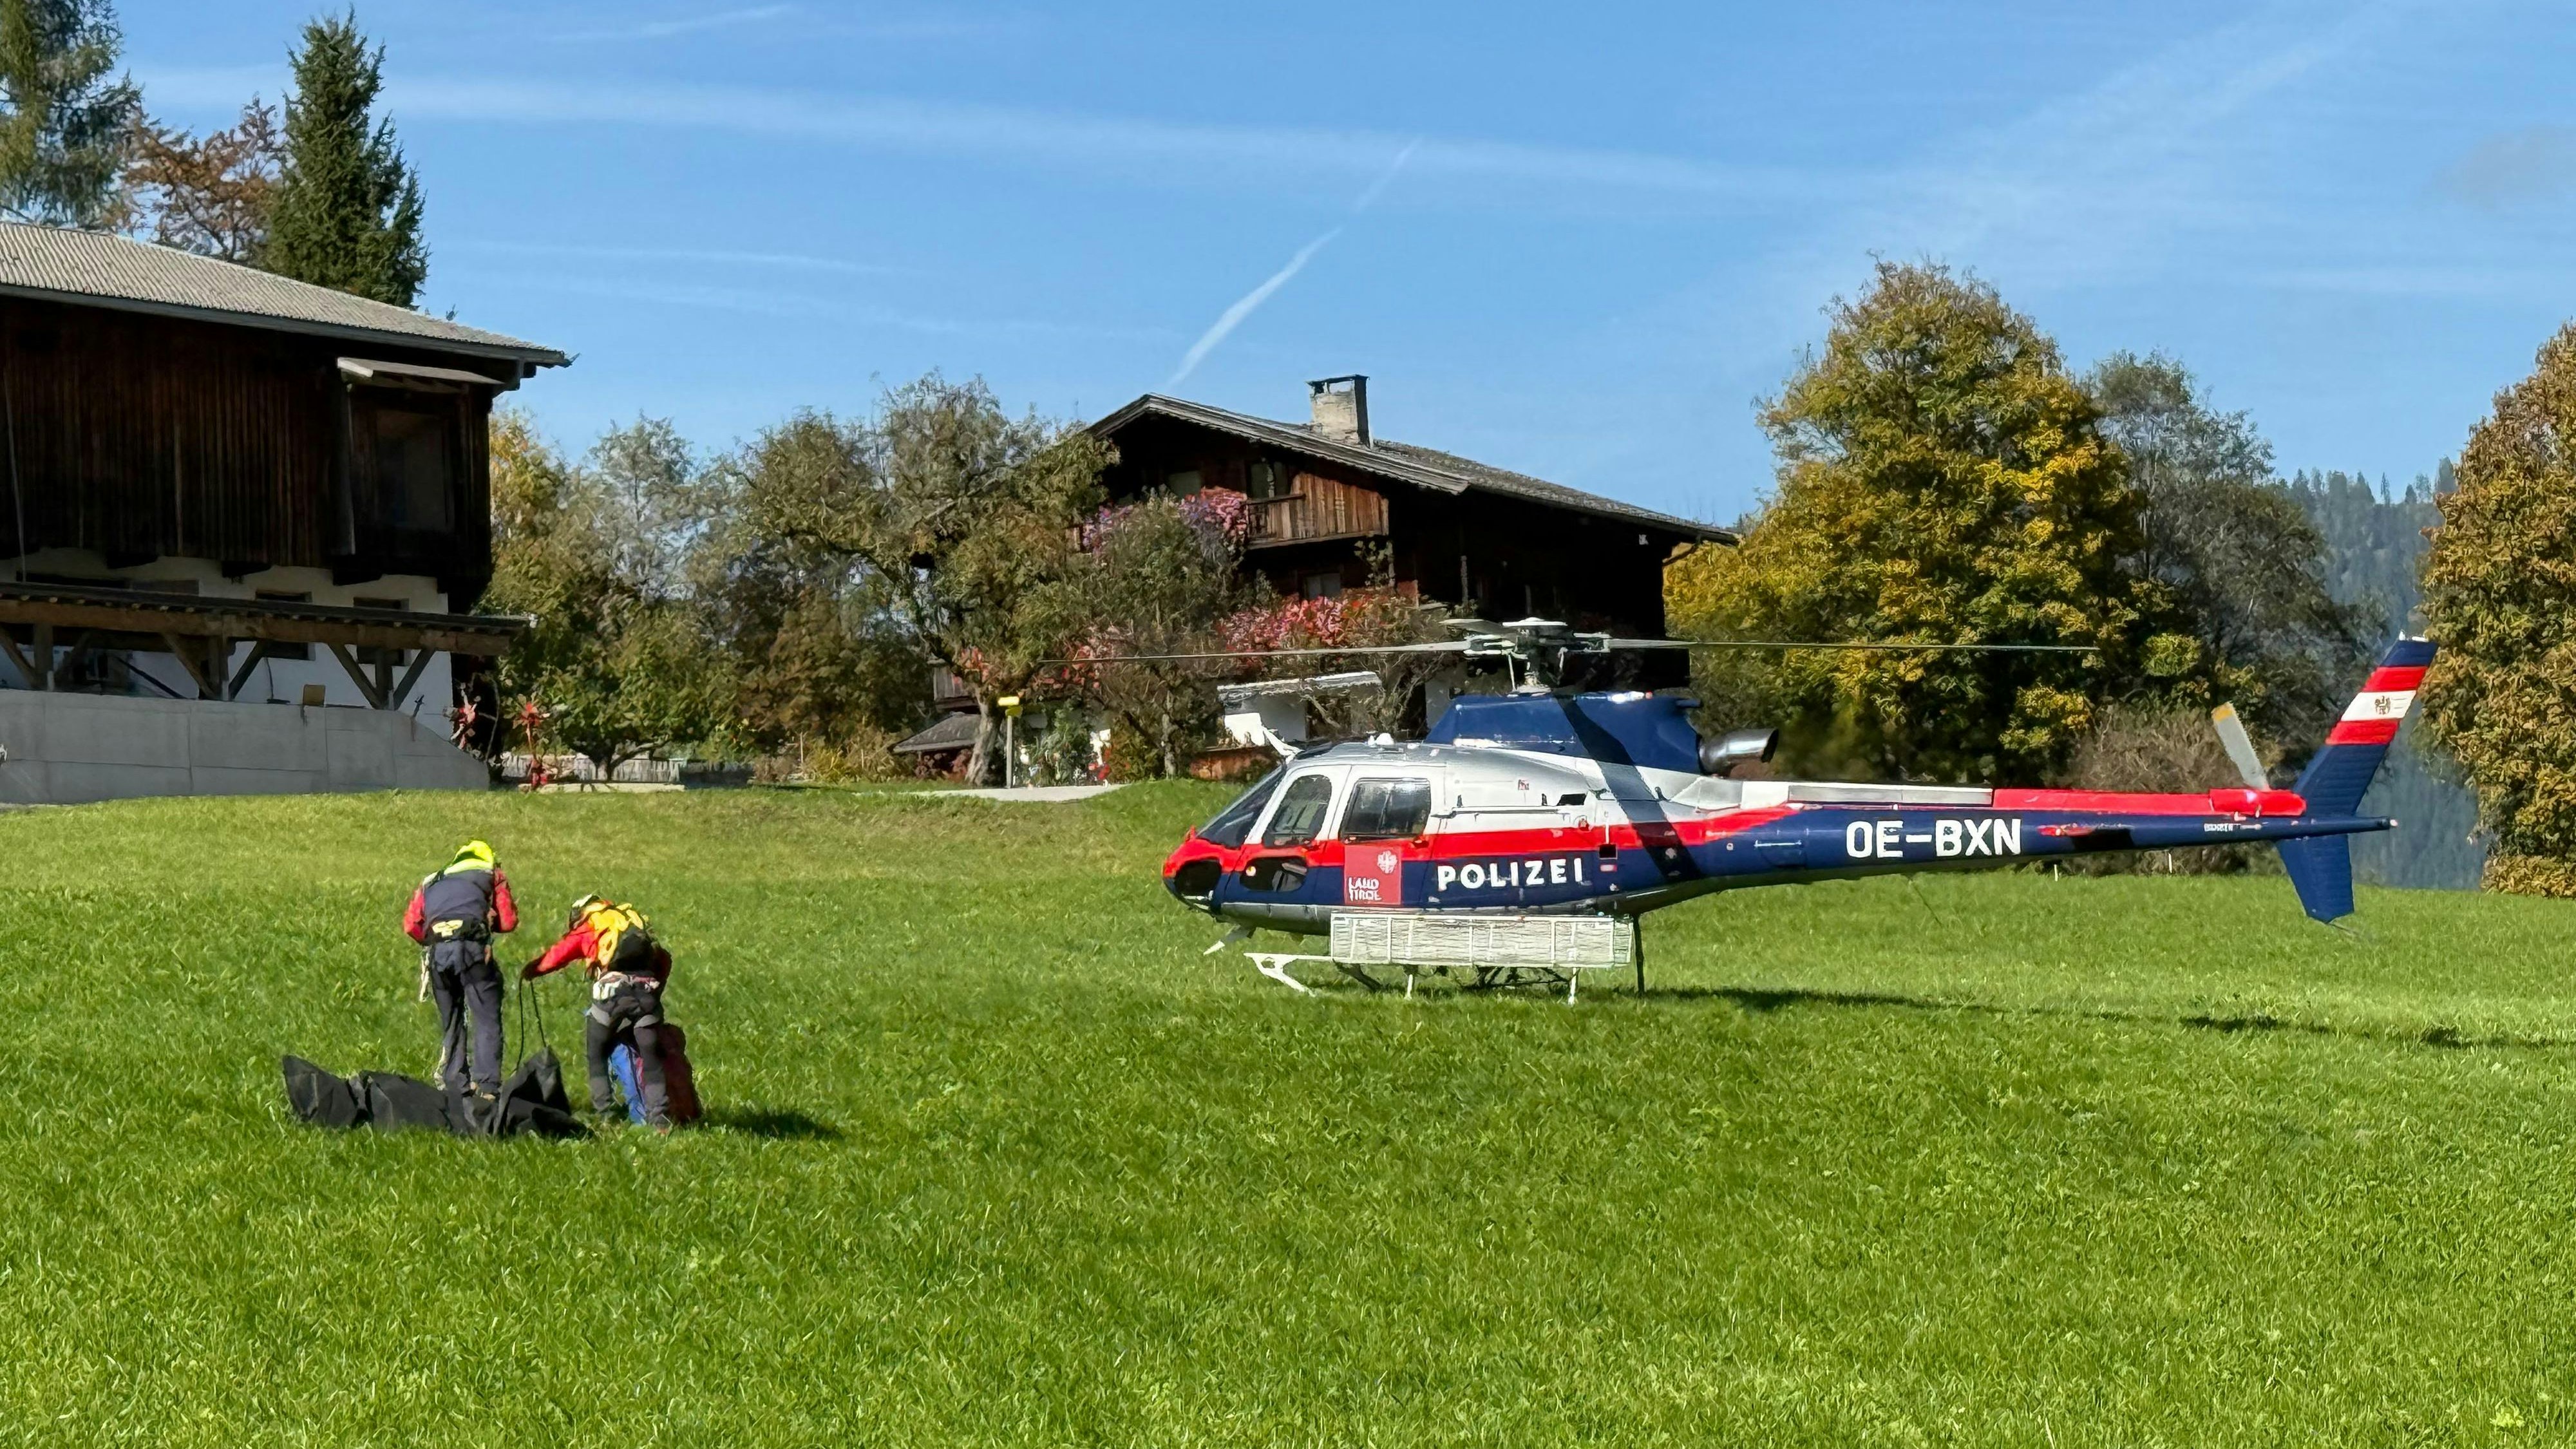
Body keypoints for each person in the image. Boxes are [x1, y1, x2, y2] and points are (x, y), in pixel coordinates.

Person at [523, 896, 674, 1130]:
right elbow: (663, 957)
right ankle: (660, 1122)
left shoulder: (591, 924)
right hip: (647, 993)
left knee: (596, 1052)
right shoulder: (632, 919)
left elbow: (559, 955)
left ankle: (606, 1116)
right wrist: (655, 992)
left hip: (611, 995)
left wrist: (533, 970)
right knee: (653, 1060)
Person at [402, 840, 520, 1098]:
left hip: (438, 953)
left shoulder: (432, 880)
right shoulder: (493, 875)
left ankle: (456, 1086)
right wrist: (486, 923)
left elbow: (411, 925)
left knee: (452, 1021)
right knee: (486, 1016)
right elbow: (509, 921)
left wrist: (440, 937)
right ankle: (487, 1087)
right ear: (489, 860)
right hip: (472, 950)